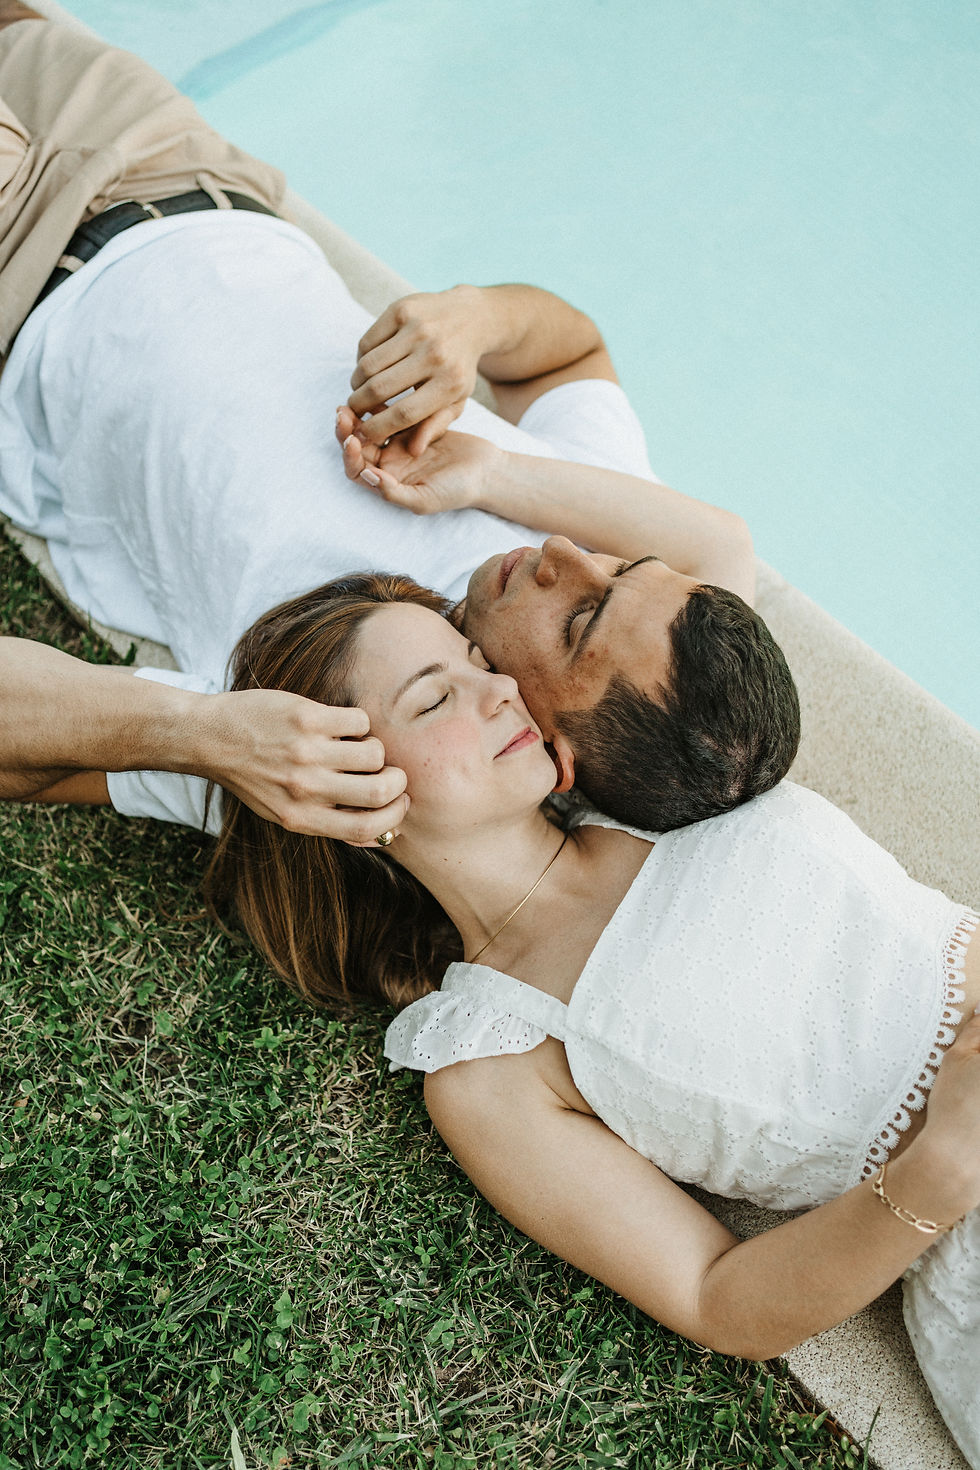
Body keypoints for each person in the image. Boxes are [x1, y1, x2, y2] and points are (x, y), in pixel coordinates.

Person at [201, 569, 980, 1467]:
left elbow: (705, 565)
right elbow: (718, 1299)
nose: (499, 686)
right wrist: (940, 1173)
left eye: (472, 657)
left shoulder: (644, 794)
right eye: (436, 697)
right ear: (346, 793)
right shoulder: (492, 1060)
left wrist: (481, 471)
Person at [0, 4, 797, 841]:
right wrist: (477, 321)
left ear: (551, 755)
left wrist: (193, 736)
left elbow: (36, 752)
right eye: (619, 568)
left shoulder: (350, 731)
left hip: (24, 298)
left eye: (580, 621)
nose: (569, 557)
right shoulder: (599, 529)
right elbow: (567, 356)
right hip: (187, 176)